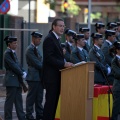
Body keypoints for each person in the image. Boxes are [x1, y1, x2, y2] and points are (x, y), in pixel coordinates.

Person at [43, 18, 73, 120]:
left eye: (63, 26)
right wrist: (64, 64)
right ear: (54, 27)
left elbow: (55, 56)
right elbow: (48, 58)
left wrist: (63, 58)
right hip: (51, 78)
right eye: (60, 26)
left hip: (57, 76)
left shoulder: (56, 39)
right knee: (50, 103)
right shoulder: (49, 39)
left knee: (54, 103)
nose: (62, 28)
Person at [3, 36, 26, 120]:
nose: (16, 45)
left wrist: (23, 71)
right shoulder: (7, 53)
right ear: (9, 44)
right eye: (14, 43)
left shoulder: (13, 53)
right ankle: (8, 118)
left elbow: (18, 65)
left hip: (16, 81)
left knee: (18, 101)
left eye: (16, 43)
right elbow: (13, 66)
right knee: (10, 101)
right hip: (11, 80)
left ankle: (22, 117)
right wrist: (21, 73)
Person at [25, 32, 44, 120]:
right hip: (33, 77)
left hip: (39, 77)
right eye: (38, 39)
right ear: (33, 38)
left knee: (39, 97)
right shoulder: (30, 49)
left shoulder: (36, 49)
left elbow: (41, 61)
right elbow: (37, 63)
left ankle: (39, 113)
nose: (39, 41)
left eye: (40, 39)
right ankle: (29, 115)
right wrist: (46, 68)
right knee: (31, 97)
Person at [111, 41, 120, 120]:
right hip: (118, 87)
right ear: (117, 50)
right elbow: (118, 74)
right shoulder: (114, 60)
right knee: (116, 108)